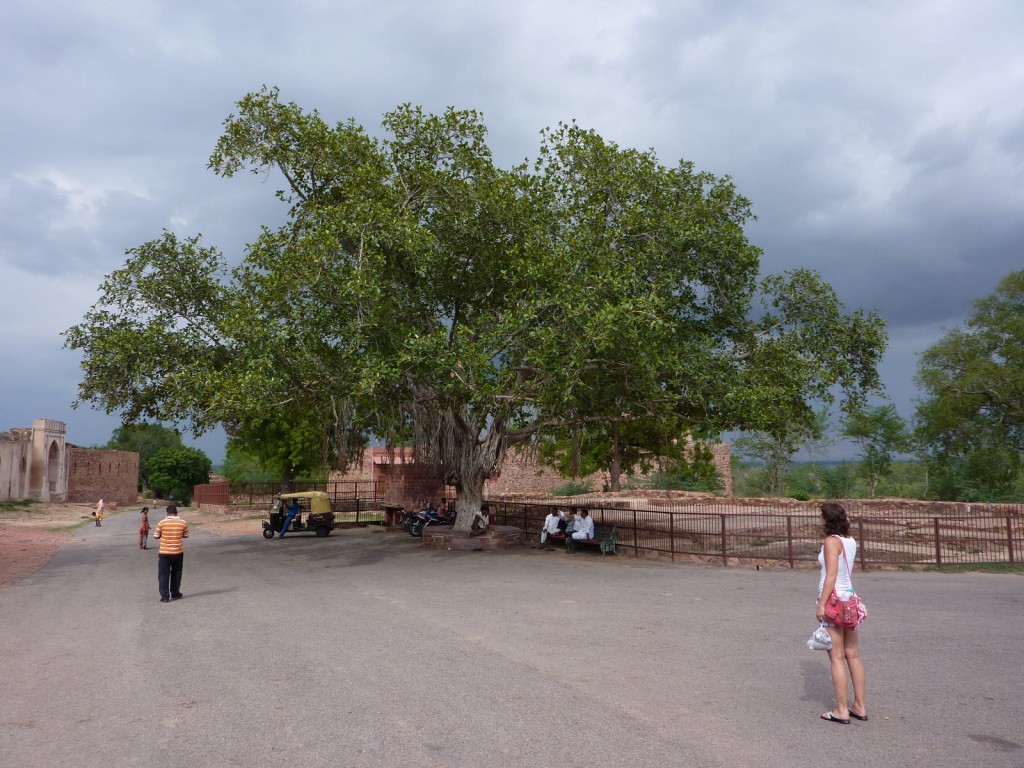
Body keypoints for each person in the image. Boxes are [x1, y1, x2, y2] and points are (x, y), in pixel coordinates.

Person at [816, 502, 868, 725]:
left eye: (822, 517)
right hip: (850, 599)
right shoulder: (850, 541)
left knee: (836, 656)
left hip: (834, 600)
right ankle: (859, 705)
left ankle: (841, 710)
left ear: (827, 520)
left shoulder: (831, 542)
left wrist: (822, 605)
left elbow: (831, 575)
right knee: (853, 655)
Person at [153, 504, 189, 603]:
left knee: (164, 574)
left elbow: (156, 536)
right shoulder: (183, 522)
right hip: (178, 552)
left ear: (167, 512)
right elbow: (186, 535)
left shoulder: (162, 523)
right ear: (176, 512)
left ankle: (165, 596)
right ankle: (175, 592)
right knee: (176, 572)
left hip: (164, 552)